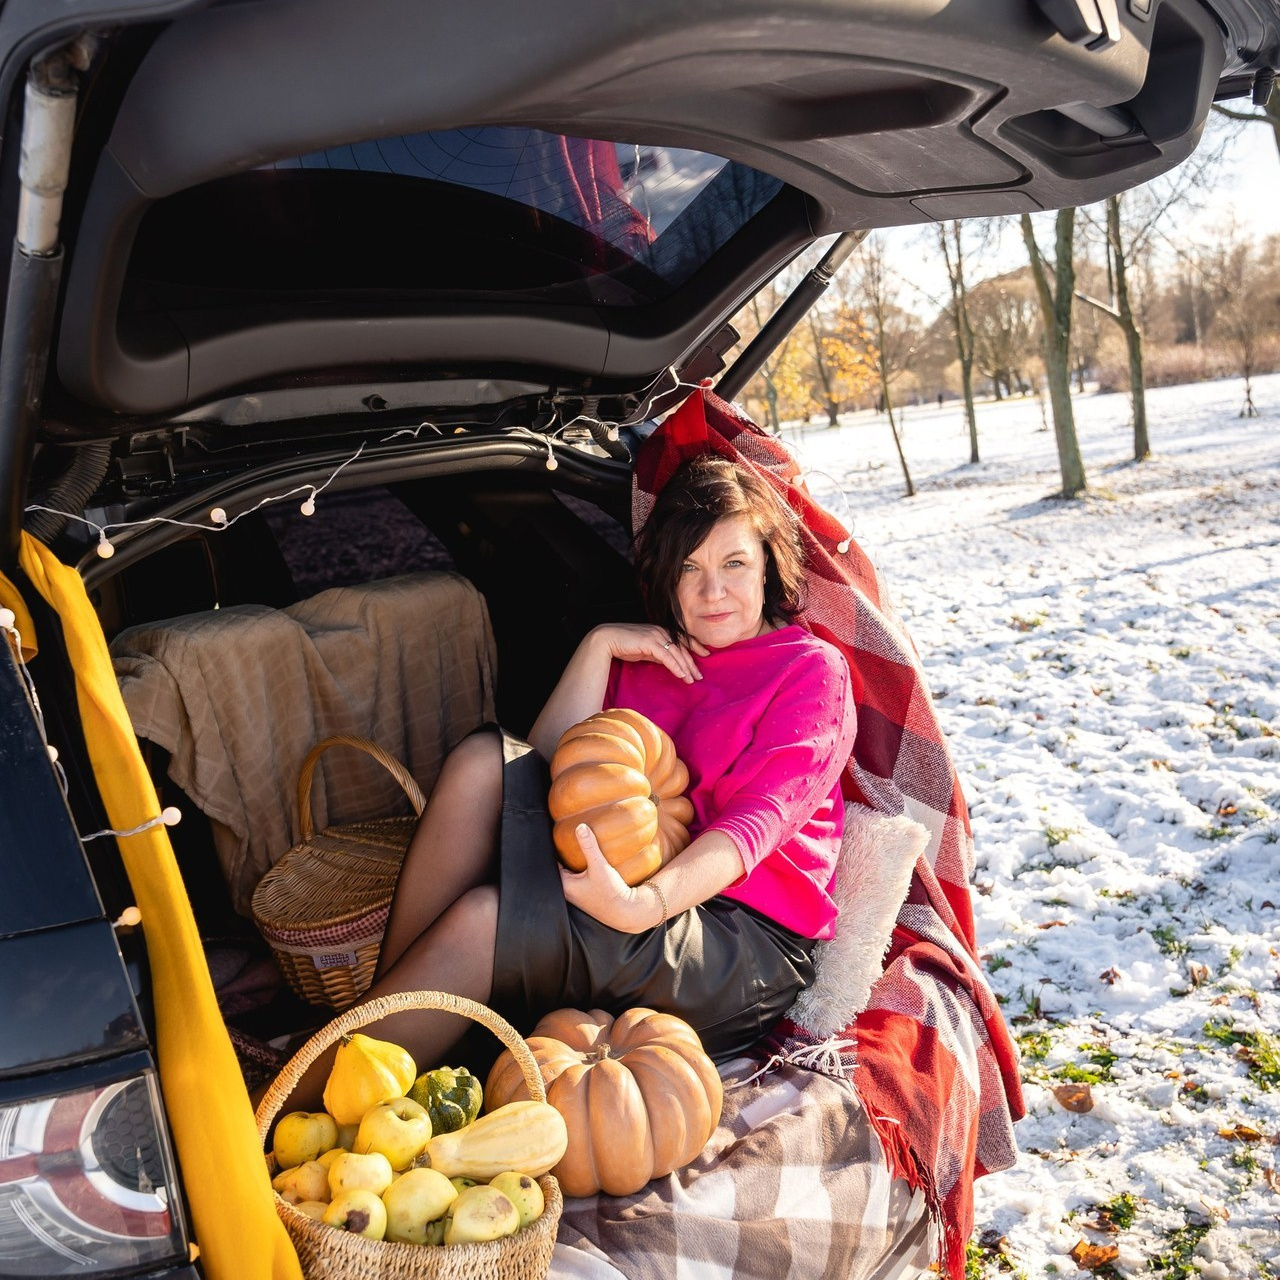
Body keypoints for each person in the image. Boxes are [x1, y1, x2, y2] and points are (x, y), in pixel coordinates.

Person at [287, 454, 856, 1103]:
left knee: (483, 920)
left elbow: (753, 826)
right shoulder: (655, 655)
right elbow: (545, 769)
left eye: (734, 564)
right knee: (483, 762)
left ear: (768, 565)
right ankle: (373, 1033)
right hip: (634, 879)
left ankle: (282, 1117)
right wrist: (600, 645)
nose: (711, 592)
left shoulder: (811, 670)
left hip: (735, 941)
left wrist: (644, 906)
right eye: (689, 568)